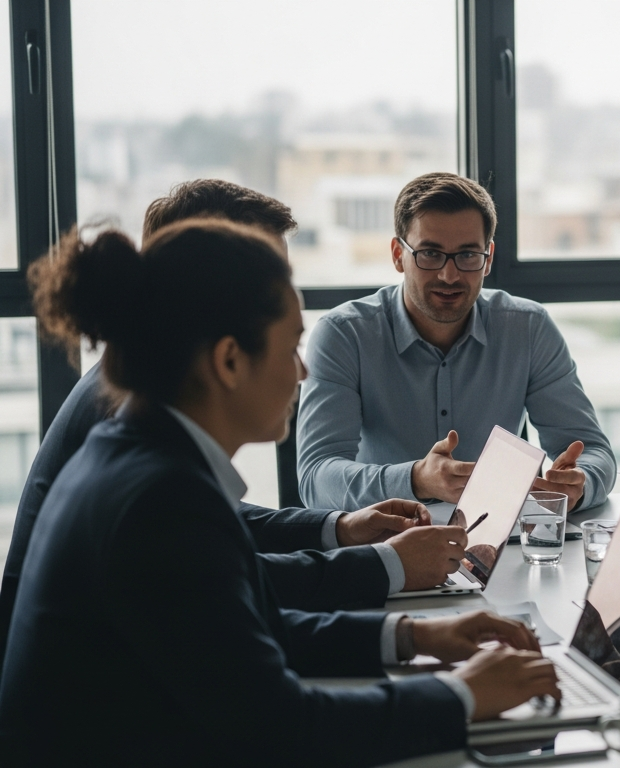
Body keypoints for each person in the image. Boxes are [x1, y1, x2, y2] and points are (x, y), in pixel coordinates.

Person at [0, 219, 559, 765]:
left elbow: (252, 629)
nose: (302, 371)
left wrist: (417, 635)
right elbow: (280, 727)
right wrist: (461, 696)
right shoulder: (160, 501)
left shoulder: (140, 456)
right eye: (291, 346)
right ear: (229, 360)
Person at [0, 181, 468, 673]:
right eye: (264, 270)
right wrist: (387, 568)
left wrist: (340, 530)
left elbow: (214, 531)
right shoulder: (127, 414)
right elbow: (221, 572)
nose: (281, 292)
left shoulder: (142, 391)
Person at [298, 172, 614, 512]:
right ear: (397, 255)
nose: (449, 276)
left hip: (494, 546)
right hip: (383, 546)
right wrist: (416, 479)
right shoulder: (344, 334)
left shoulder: (528, 328)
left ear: (488, 258)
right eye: (430, 254)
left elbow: (594, 451)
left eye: (467, 256)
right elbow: (316, 478)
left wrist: (581, 483)